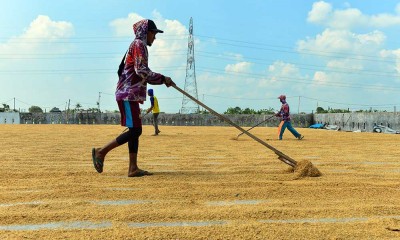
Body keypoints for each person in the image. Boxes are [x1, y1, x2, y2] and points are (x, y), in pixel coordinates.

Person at [91, 19, 174, 177]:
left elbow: (141, 71)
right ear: (146, 32)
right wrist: (163, 79)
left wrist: (163, 80)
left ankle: (133, 168)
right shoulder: (138, 45)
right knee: (136, 130)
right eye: (153, 33)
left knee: (134, 130)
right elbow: (142, 70)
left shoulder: (138, 46)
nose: (154, 38)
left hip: (131, 95)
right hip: (127, 94)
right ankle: (101, 152)